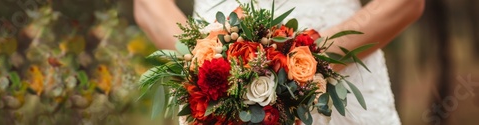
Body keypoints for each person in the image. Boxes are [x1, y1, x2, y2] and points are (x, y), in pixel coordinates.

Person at [134, 0, 424, 124]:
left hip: (339, 81)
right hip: (218, 97)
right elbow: (147, 6)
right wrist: (206, 59)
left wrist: (308, 59)